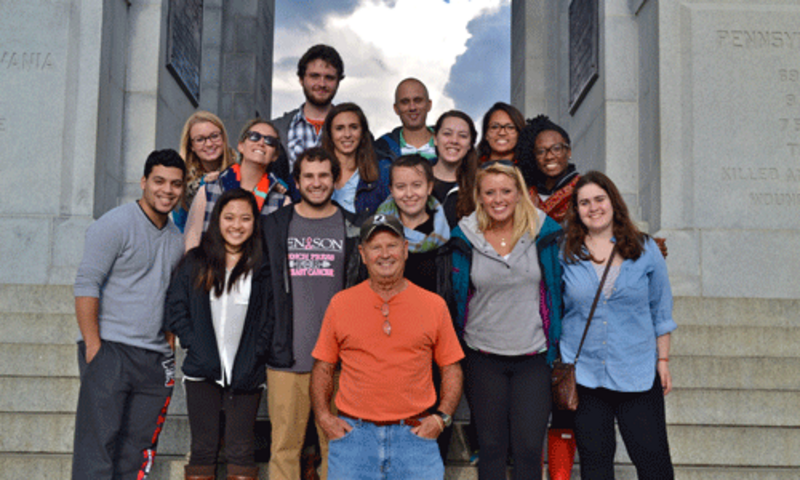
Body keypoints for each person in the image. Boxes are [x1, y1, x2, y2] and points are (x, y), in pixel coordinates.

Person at [310, 214, 465, 480]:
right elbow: (323, 367)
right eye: (375, 247)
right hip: (354, 439)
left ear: (405, 249)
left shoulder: (433, 305)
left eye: (392, 245)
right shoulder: (341, 303)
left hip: (416, 437)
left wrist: (441, 418)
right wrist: (324, 417)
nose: (385, 254)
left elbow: (451, 368)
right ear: (362, 253)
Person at [72, 149, 186, 480]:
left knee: (136, 454)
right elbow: (86, 283)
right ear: (144, 182)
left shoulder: (176, 240)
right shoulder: (114, 224)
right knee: (97, 451)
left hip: (153, 358)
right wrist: (94, 347)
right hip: (111, 350)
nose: (167, 190)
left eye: (176, 184)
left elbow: (170, 298)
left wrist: (168, 348)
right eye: (159, 181)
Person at [560, 171, 676, 480]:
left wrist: (662, 360)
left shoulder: (646, 249)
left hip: (637, 371)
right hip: (584, 375)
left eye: (599, 199)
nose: (593, 207)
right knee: (595, 466)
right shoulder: (566, 253)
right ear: (576, 210)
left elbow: (661, 309)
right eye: (584, 202)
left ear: (613, 202)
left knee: (654, 463)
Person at [451, 161, 563, 480]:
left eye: (505, 191)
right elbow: (458, 295)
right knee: (492, 448)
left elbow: (557, 288)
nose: (498, 198)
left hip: (533, 356)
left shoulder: (543, 233)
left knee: (528, 449)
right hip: (482, 356)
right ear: (480, 197)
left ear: (519, 194)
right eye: (490, 192)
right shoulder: (465, 237)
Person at [165, 188, 282, 480]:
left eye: (245, 218)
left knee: (240, 449)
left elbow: (271, 318)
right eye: (229, 217)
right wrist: (194, 343)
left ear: (254, 223)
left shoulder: (263, 267)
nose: (236, 225)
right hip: (202, 371)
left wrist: (257, 354)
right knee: (203, 448)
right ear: (218, 220)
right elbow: (175, 308)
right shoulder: (196, 261)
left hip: (246, 372)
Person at [262, 147, 363, 480]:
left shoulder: (353, 228)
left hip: (339, 362)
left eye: (324, 175)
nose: (316, 183)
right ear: (297, 181)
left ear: (335, 180)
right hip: (286, 357)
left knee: (338, 449)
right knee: (283, 450)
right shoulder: (274, 226)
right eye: (309, 176)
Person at [185, 118, 290, 250]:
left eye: (270, 141)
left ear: (275, 155)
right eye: (254, 136)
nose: (261, 142)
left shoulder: (282, 203)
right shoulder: (208, 191)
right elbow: (191, 245)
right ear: (241, 146)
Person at [273, 45, 345, 178]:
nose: (322, 84)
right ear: (301, 79)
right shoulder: (276, 130)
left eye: (329, 78)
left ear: (338, 82)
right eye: (315, 76)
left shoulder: (356, 131)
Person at [321, 103, 391, 220]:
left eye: (354, 127)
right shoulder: (314, 171)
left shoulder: (382, 172)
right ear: (330, 134)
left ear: (363, 132)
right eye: (339, 128)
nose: (347, 134)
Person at [173, 111, 237, 232]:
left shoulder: (241, 168)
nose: (208, 144)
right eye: (200, 139)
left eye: (214, 136)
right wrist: (205, 187)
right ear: (191, 145)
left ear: (223, 137)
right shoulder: (181, 180)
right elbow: (181, 228)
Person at [431, 110, 478, 228]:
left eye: (462, 136)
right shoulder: (416, 177)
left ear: (470, 144)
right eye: (447, 133)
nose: (454, 141)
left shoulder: (479, 185)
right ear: (435, 139)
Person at [374, 78, 436, 163]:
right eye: (405, 102)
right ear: (396, 109)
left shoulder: (451, 144)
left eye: (418, 100)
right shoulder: (379, 150)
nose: (412, 107)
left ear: (429, 105)